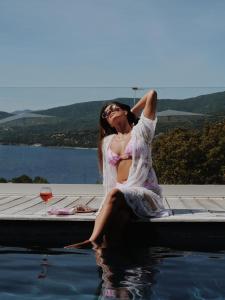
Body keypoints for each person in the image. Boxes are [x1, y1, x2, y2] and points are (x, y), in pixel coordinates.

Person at [66, 90, 170, 249]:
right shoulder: (107, 142)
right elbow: (109, 178)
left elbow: (152, 94)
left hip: (143, 191)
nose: (110, 112)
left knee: (114, 194)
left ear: (125, 111)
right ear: (107, 123)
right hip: (121, 193)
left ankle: (92, 241)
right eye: (107, 114)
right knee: (119, 218)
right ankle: (109, 264)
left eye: (115, 109)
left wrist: (132, 113)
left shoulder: (142, 131)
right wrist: (103, 205)